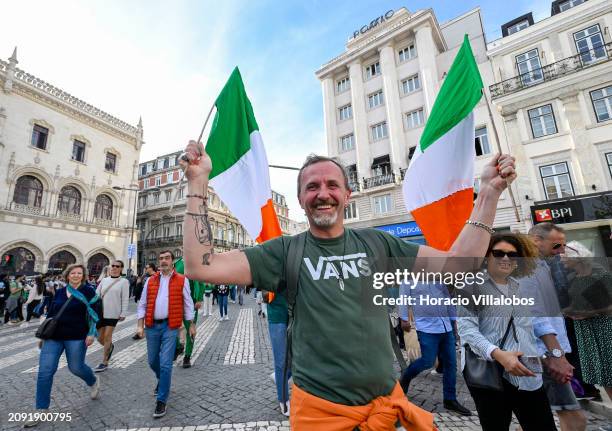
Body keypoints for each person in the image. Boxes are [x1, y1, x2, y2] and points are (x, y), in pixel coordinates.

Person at [180, 139, 516, 430]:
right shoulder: (285, 251)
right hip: (319, 416)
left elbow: (459, 266)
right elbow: (201, 265)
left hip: (385, 409)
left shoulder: (380, 244)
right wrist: (198, 182)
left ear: (347, 194)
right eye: (312, 187)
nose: (322, 193)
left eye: (331, 185)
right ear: (300, 199)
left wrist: (488, 194)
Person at [457, 233, 562, 430]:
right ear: (486, 256)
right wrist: (499, 354)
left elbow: (539, 321)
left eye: (512, 255)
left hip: (528, 372)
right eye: (498, 253)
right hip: (489, 373)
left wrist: (556, 353)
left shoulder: (521, 286)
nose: (506, 258)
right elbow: (466, 329)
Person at [24, 264, 101, 428]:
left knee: (76, 367)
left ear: (83, 275)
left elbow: (95, 313)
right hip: (54, 337)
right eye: (73, 273)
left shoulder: (89, 291)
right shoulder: (59, 292)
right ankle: (41, 409)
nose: (76, 275)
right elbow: (51, 314)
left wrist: (91, 333)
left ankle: (93, 380)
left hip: (77, 336)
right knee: (45, 371)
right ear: (67, 275)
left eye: (79, 273)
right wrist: (43, 336)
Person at [528, 223, 588, 431]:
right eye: (556, 246)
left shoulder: (543, 265)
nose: (562, 251)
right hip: (544, 354)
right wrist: (555, 355)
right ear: (536, 241)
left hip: (545, 353)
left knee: (537, 417)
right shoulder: (528, 268)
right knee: (574, 418)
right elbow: (533, 314)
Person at [135, 250, 195, 418]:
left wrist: (191, 325)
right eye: (161, 259)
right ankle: (163, 381)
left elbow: (188, 304)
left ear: (172, 262)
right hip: (152, 326)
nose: (163, 261)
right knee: (152, 360)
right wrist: (140, 325)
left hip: (171, 326)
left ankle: (161, 400)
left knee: (166, 364)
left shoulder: (182, 280)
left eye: (166, 258)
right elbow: (142, 303)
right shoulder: (150, 281)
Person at [398, 282, 472, 416]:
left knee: (451, 364)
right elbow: (403, 297)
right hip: (426, 327)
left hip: (445, 326)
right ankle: (406, 376)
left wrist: (454, 319)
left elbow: (447, 297)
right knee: (427, 361)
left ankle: (450, 399)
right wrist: (403, 319)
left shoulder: (439, 274)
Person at [562, 241, 612, 404]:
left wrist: (587, 313)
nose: (562, 259)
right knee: (602, 374)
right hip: (585, 332)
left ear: (577, 257)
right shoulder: (572, 277)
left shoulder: (600, 274)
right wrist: (567, 311)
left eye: (565, 256)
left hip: (604, 328)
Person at [94, 260, 130, 372]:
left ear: (121, 268)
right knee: (100, 338)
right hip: (100, 313)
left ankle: (104, 362)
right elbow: (96, 294)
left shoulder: (124, 282)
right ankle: (109, 346)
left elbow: (125, 298)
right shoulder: (104, 280)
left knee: (107, 337)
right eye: (112, 266)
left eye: (117, 266)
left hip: (113, 313)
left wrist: (123, 312)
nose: (114, 268)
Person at [174, 257, 204, 368]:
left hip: (192, 301)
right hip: (177, 301)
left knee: (190, 329)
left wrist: (200, 298)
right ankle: (178, 347)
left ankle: (187, 356)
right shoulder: (177, 264)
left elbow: (201, 282)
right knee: (174, 327)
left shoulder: (196, 263)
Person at [267, 290, 291, 416]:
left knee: (299, 357)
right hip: (277, 311)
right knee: (281, 360)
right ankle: (283, 400)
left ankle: (279, 377)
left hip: (296, 310)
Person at [132, 263, 157, 340]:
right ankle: (140, 331)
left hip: (151, 299)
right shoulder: (144, 276)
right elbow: (138, 286)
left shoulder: (156, 277)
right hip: (142, 298)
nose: (145, 269)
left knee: (150, 316)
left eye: (147, 268)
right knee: (141, 315)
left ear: (152, 268)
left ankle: (147, 331)